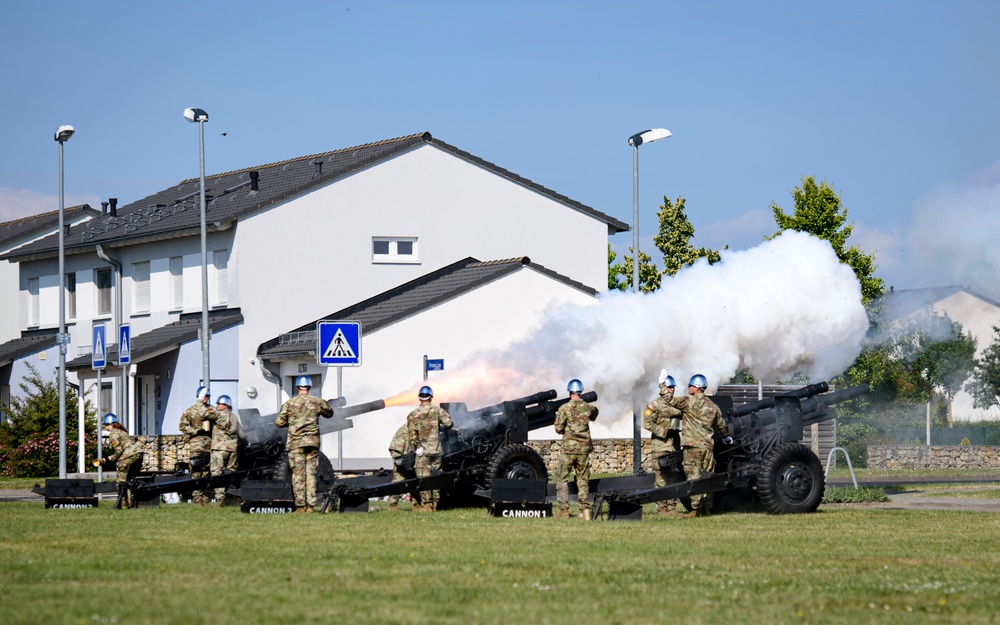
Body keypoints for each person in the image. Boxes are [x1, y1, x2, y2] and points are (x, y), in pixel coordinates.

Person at [669, 374, 733, 517]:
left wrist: (663, 385)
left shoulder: (688, 402)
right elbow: (722, 426)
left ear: (697, 388)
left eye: (690, 386)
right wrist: (727, 437)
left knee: (694, 478)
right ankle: (707, 509)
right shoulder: (713, 406)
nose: (688, 388)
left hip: (692, 448)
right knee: (708, 478)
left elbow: (668, 400)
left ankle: (696, 509)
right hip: (707, 449)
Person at [276, 375, 334, 513]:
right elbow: (329, 413)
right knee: (311, 474)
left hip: (296, 443)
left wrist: (292, 421)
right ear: (309, 387)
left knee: (298, 474)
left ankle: (300, 506)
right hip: (312, 443)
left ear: (297, 387)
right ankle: (310, 506)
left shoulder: (289, 403)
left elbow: (279, 422)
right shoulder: (317, 402)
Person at [554, 378, 599, 520]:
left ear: (570, 392)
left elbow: (558, 429)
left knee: (562, 479)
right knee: (583, 480)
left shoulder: (564, 409)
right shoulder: (588, 408)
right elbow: (594, 415)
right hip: (584, 450)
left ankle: (564, 511)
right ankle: (585, 511)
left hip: (568, 450)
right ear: (581, 392)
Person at [406, 385, 453, 512]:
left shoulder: (413, 414)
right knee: (436, 477)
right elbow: (449, 424)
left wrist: (417, 447)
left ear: (419, 398)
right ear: (431, 397)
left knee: (423, 477)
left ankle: (427, 505)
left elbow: (411, 434)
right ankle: (435, 504)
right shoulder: (438, 411)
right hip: (437, 450)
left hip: (423, 452)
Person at [643, 370, 684, 516]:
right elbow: (647, 424)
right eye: (670, 387)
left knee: (674, 477)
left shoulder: (678, 404)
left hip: (674, 446)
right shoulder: (653, 405)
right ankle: (661, 508)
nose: (672, 389)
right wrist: (663, 431)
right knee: (661, 478)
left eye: (673, 387)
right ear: (663, 388)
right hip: (660, 445)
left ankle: (671, 508)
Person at [93, 413, 144, 509]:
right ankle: (131, 504)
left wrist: (111, 459)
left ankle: (123, 506)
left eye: (106, 425)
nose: (106, 428)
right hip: (139, 454)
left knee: (121, 482)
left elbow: (119, 451)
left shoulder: (113, 434)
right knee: (130, 481)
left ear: (109, 424)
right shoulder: (122, 431)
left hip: (127, 457)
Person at [178, 386, 216, 506]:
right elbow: (182, 427)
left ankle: (206, 498)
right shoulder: (190, 411)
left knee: (206, 471)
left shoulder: (211, 410)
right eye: (204, 396)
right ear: (198, 397)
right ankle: (197, 499)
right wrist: (194, 431)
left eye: (208, 396)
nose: (206, 398)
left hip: (209, 444)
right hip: (196, 445)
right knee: (196, 471)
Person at [207, 395, 242, 507]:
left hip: (219, 448)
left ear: (224, 405)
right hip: (232, 449)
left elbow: (204, 413)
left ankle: (220, 499)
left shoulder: (218, 415)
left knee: (217, 473)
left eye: (219, 403)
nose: (217, 405)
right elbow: (241, 434)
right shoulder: (234, 417)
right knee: (231, 473)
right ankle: (232, 497)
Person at [387, 423, 420, 511]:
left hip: (411, 460)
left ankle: (416, 504)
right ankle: (392, 505)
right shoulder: (404, 431)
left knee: (414, 481)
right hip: (402, 461)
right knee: (398, 482)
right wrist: (400, 461)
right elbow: (395, 448)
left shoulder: (415, 430)